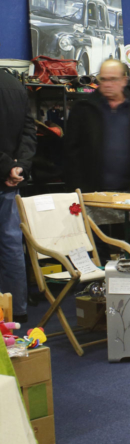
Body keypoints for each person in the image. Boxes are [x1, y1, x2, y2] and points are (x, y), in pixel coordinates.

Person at [64, 59, 130, 193]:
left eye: (113, 79)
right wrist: (76, 189)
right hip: (92, 192)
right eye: (103, 79)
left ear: (124, 80)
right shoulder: (83, 108)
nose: (108, 84)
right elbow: (71, 152)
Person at [1, 68, 36, 324]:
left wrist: (8, 167)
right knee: (11, 244)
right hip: (10, 179)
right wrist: (18, 166)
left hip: (6, 173)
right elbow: (29, 132)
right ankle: (17, 310)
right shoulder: (15, 84)